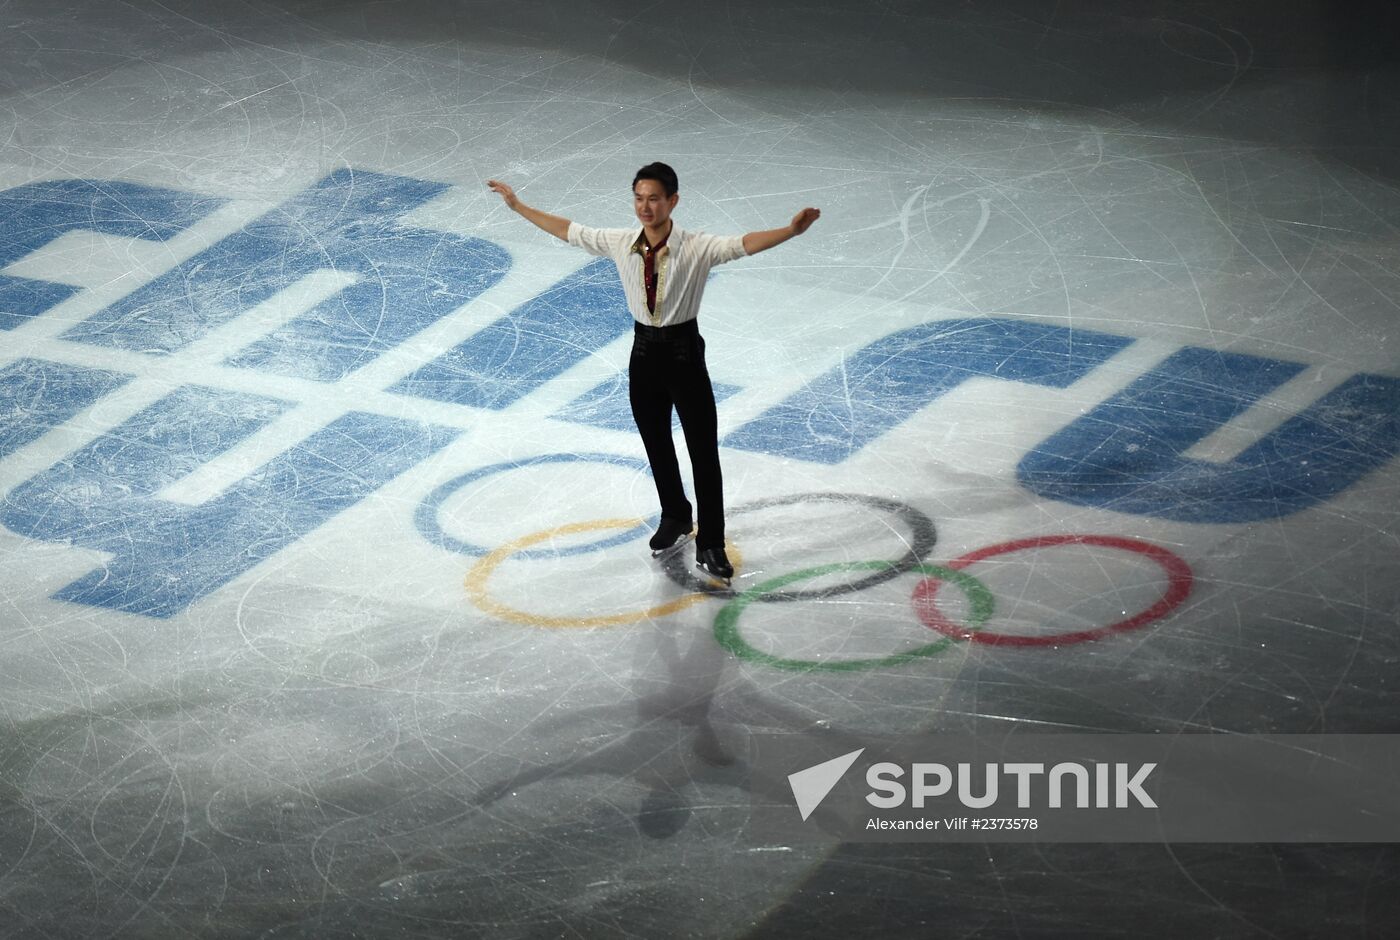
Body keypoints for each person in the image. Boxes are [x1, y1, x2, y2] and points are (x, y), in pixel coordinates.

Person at [487, 163, 820, 582]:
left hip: (684, 355)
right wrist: (518, 205)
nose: (645, 207)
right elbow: (568, 230)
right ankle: (676, 515)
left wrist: (791, 231)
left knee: (703, 452)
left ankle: (711, 543)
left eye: (654, 198)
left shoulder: (699, 247)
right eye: (639, 198)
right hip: (642, 354)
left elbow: (745, 244)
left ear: (672, 201)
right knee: (656, 443)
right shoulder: (621, 241)